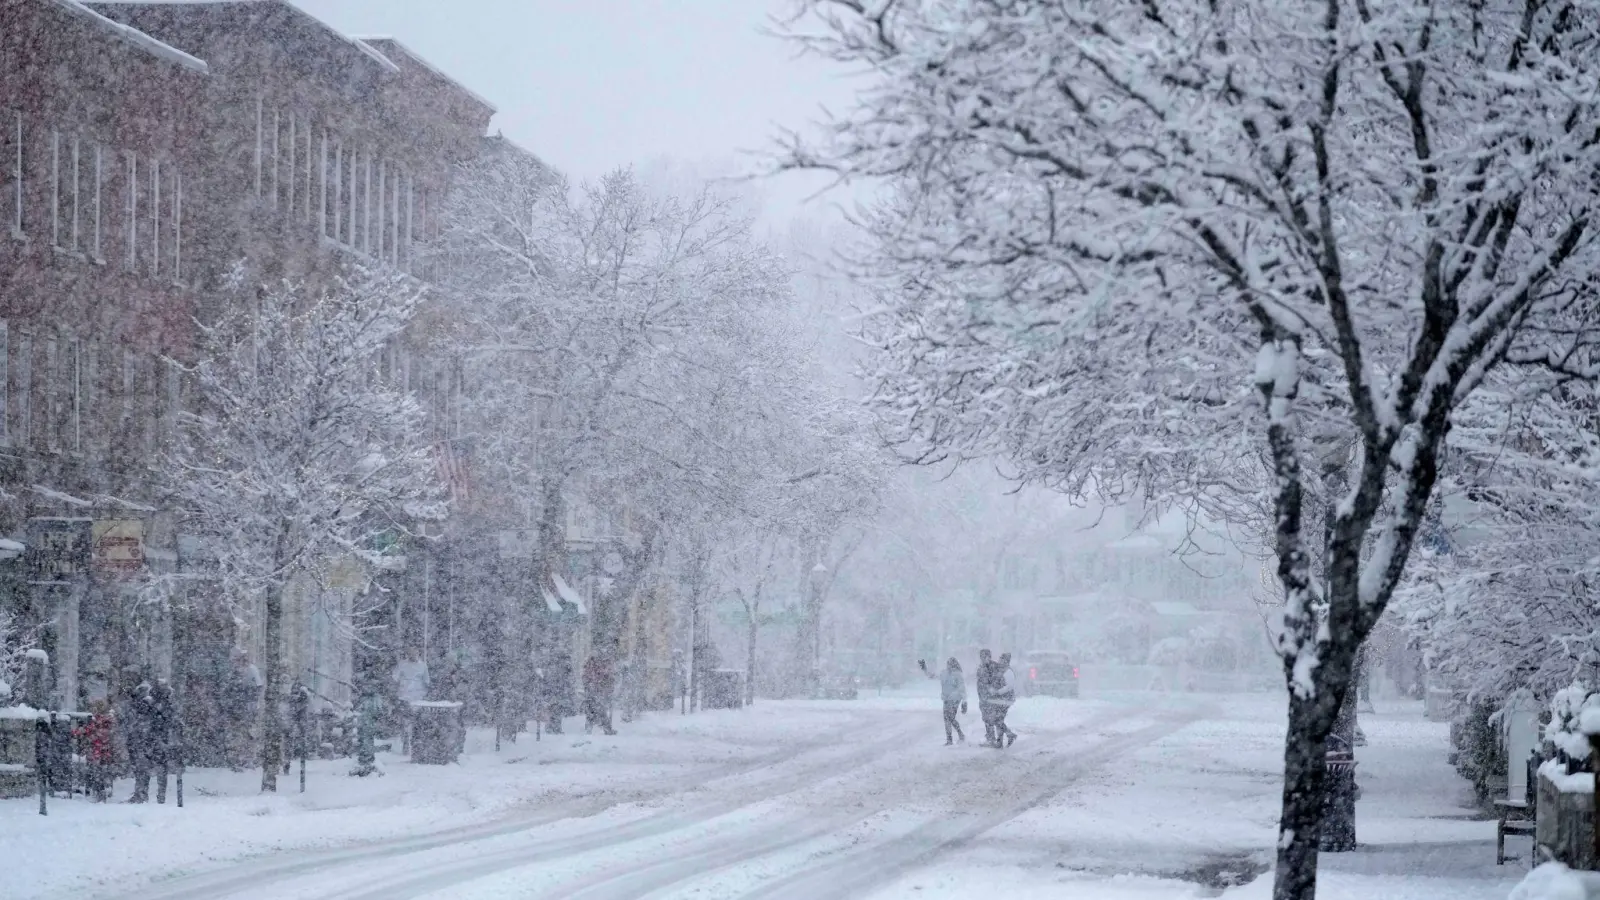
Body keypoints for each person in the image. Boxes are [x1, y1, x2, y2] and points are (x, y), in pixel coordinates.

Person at [75, 698, 115, 802]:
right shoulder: (104, 721)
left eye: (95, 707)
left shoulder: (100, 721)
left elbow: (93, 732)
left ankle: (100, 795)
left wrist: (81, 733)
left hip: (99, 751)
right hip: (103, 752)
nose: (93, 710)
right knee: (99, 773)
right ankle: (100, 794)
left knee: (97, 773)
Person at [919, 657, 967, 745]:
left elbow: (962, 688)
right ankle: (952, 737)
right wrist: (925, 669)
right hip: (946, 699)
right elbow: (932, 676)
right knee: (948, 719)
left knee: (950, 718)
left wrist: (964, 702)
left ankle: (955, 736)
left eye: (951, 664)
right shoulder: (944, 673)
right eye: (948, 663)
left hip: (955, 700)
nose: (949, 666)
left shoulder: (958, 675)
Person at [392, 648, 430, 754]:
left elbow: (427, 680)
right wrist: (401, 682)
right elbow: (394, 677)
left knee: (417, 722)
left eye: (415, 652)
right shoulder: (402, 664)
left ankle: (416, 744)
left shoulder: (423, 666)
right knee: (405, 721)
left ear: (418, 653)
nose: (412, 655)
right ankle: (405, 742)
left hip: (418, 698)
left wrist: (425, 692)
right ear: (407, 654)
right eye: (410, 653)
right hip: (404, 697)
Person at [582, 654, 617, 735]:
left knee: (592, 712)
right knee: (600, 711)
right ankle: (606, 729)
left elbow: (586, 679)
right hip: (595, 693)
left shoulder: (590, 667)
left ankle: (589, 729)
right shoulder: (596, 668)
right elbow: (601, 679)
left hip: (592, 693)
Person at [991, 653, 1019, 749]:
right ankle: (1002, 739)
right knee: (998, 720)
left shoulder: (1008, 672)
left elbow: (1009, 686)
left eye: (1001, 659)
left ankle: (1007, 736)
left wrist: (998, 692)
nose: (999, 661)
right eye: (1000, 659)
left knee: (997, 719)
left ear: (1006, 661)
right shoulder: (1001, 670)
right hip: (1000, 699)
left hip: (1006, 699)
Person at [975, 649, 997, 745]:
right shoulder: (981, 667)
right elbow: (979, 681)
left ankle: (992, 738)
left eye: (985, 656)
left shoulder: (993, 667)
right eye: (982, 657)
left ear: (989, 656)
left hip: (991, 698)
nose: (983, 659)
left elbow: (996, 681)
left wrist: (991, 689)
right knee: (985, 717)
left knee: (990, 718)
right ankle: (990, 736)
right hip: (983, 697)